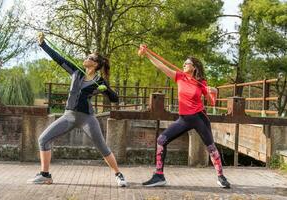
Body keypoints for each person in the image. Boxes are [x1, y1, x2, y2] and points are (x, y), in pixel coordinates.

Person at [27, 32, 127, 187]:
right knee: (43, 139)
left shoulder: (99, 81)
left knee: (102, 147)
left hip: (87, 118)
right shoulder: (76, 71)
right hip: (68, 116)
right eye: (87, 56)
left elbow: (115, 99)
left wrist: (106, 89)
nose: (86, 58)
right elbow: (58, 58)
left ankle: (118, 174)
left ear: (94, 64)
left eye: (90, 57)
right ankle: (45, 175)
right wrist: (43, 44)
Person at [139, 45, 230, 188]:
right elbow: (162, 67)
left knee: (211, 147)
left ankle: (221, 177)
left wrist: (215, 91)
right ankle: (159, 176)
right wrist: (147, 54)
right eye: (184, 63)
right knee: (161, 140)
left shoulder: (201, 83)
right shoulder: (180, 77)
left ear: (194, 67)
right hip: (184, 119)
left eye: (186, 63)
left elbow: (212, 102)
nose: (184, 65)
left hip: (199, 118)